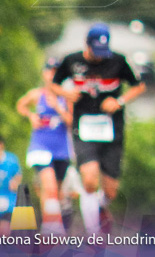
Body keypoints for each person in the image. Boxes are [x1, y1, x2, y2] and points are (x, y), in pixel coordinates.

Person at [50, 23, 146, 234]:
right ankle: (94, 234)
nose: (100, 57)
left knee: (110, 190)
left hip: (112, 128)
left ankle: (101, 206)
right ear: (87, 44)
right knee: (90, 180)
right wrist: (66, 94)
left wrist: (118, 101)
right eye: (96, 51)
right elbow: (53, 84)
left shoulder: (118, 61)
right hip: (84, 127)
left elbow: (139, 86)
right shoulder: (71, 60)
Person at [16, 57, 73, 233]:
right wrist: (31, 116)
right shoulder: (37, 94)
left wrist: (57, 107)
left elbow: (71, 121)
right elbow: (20, 105)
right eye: (50, 71)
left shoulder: (67, 97)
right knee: (49, 186)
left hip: (61, 148)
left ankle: (48, 225)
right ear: (44, 73)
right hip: (40, 146)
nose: (52, 75)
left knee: (55, 191)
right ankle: (52, 231)